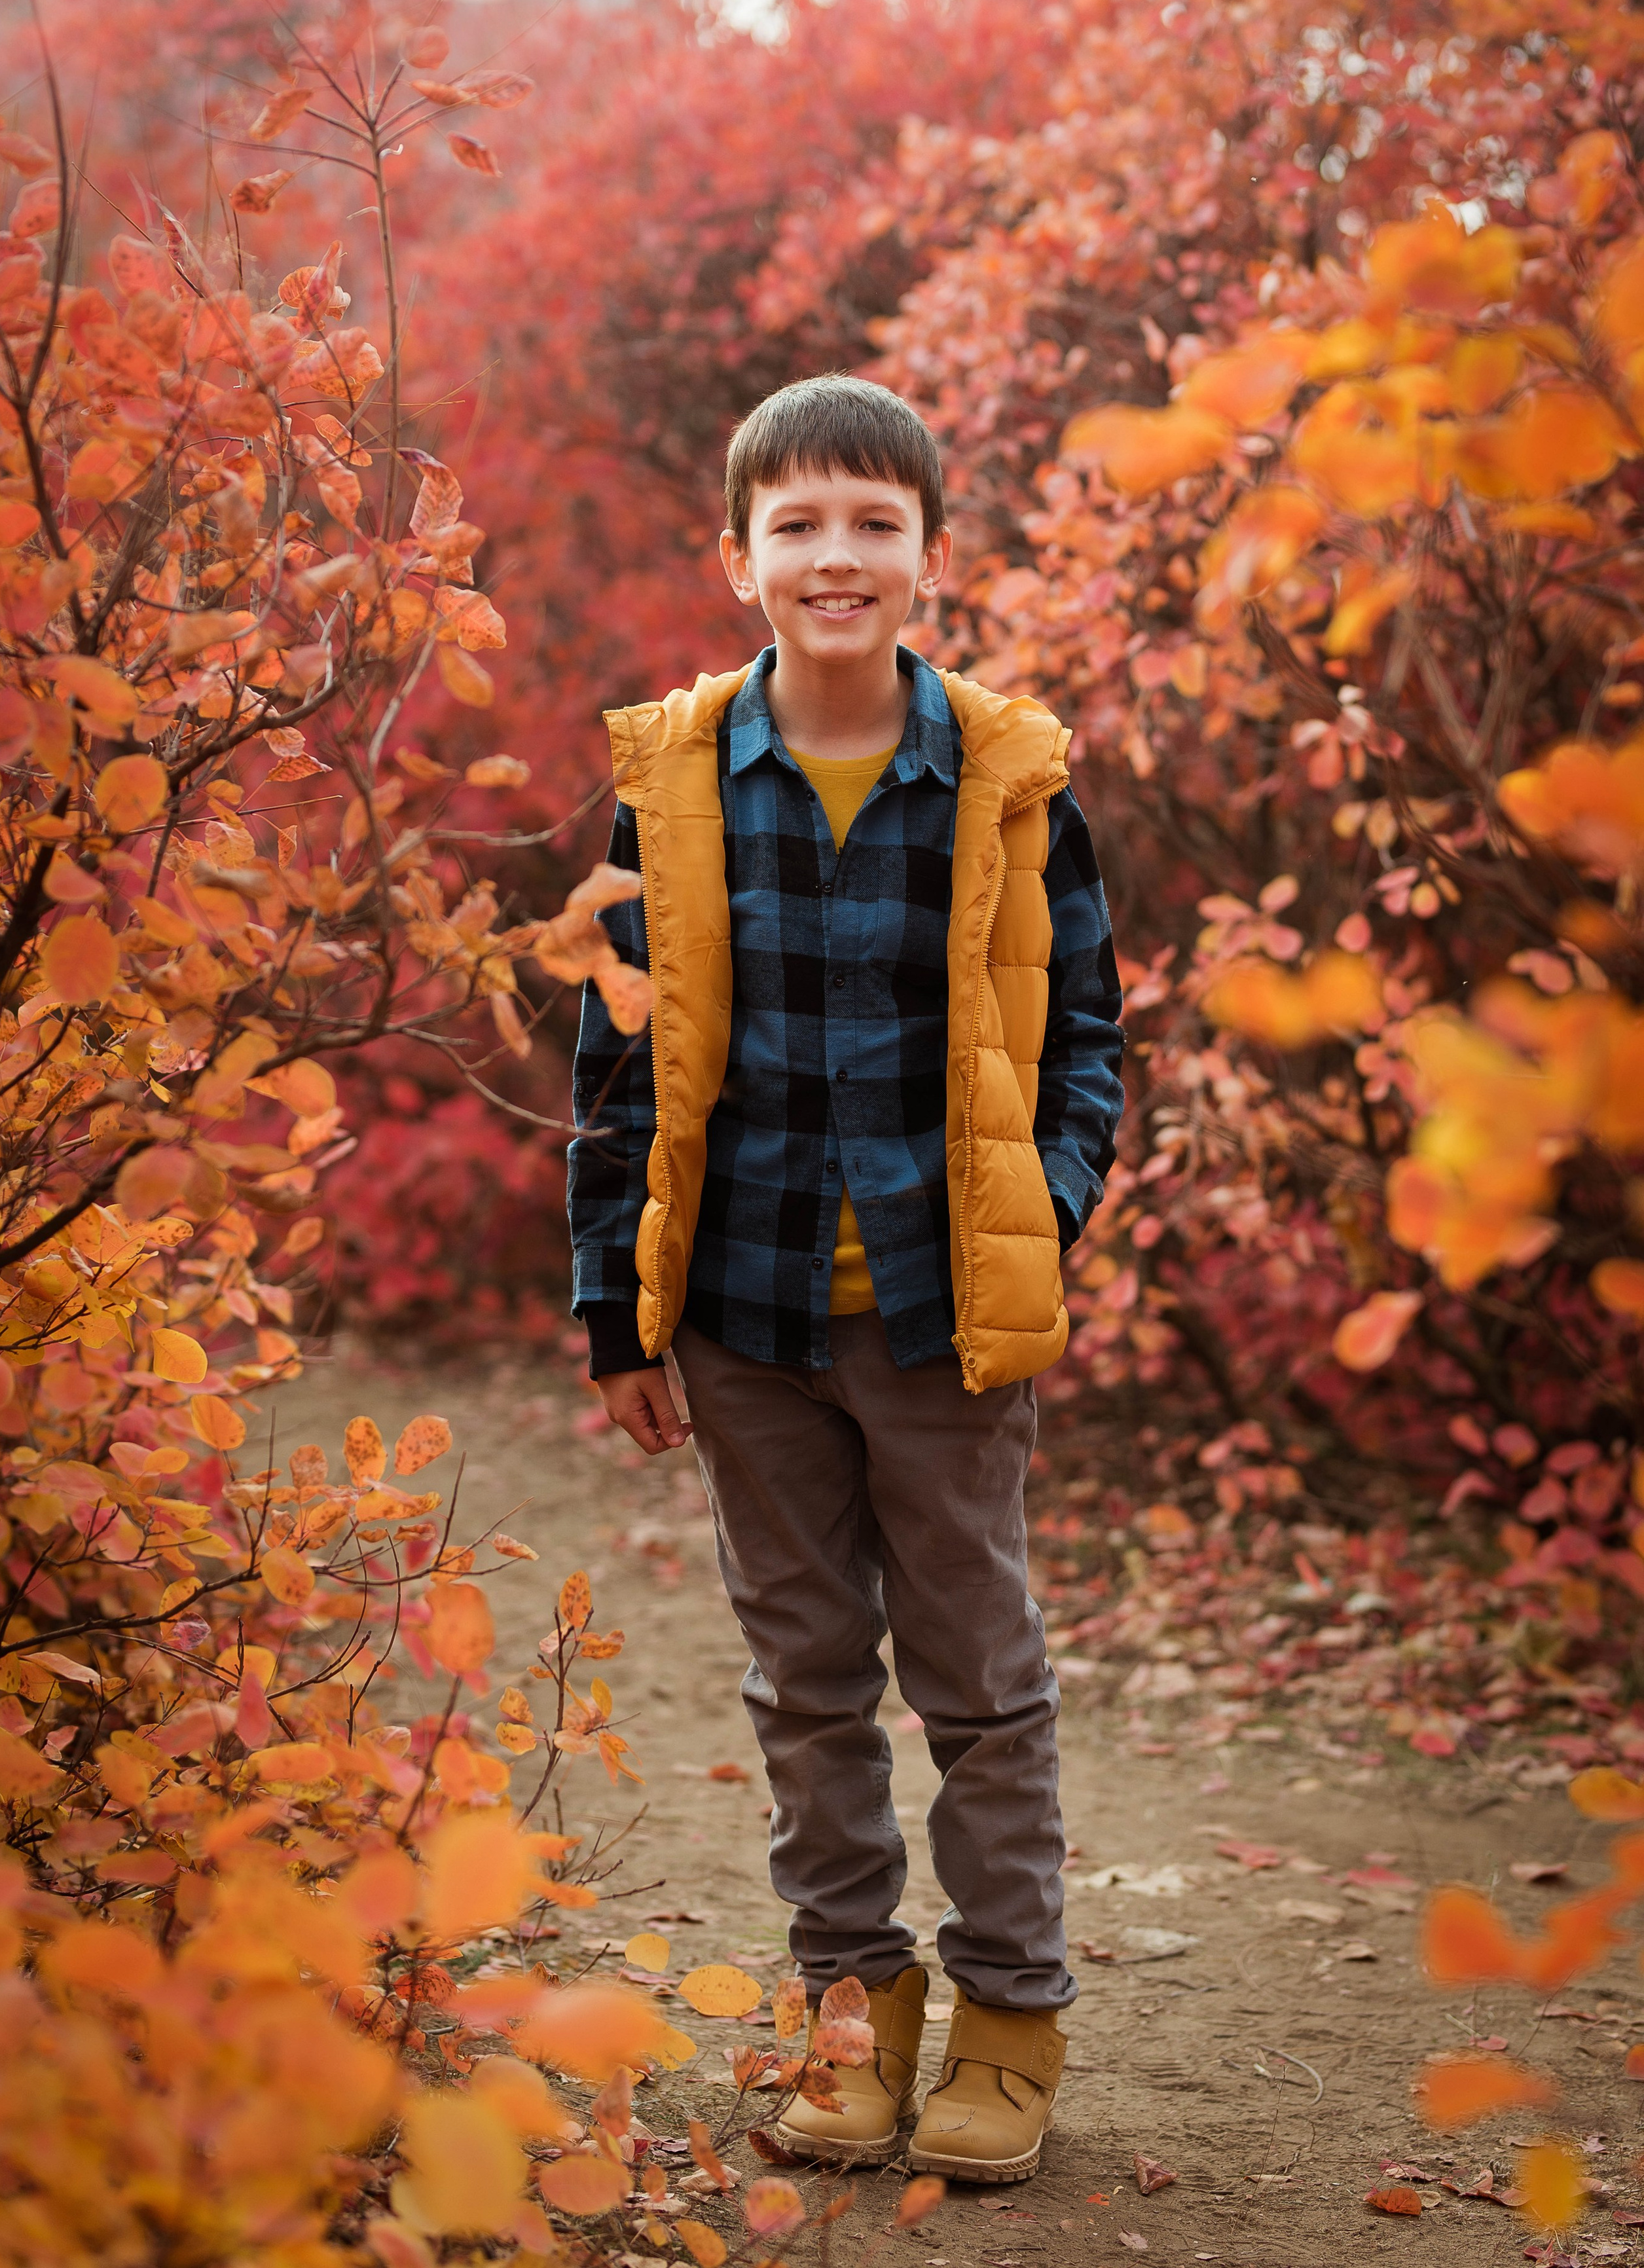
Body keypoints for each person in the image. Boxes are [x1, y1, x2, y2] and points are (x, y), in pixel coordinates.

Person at [566, 374, 1124, 2184]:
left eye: (874, 523)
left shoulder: (1011, 778)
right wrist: (613, 1314)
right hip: (743, 1319)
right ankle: (847, 2015)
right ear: (737, 559)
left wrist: (1045, 1205)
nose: (836, 554)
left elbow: (1087, 1034)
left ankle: (1013, 2020)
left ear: (930, 557)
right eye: (796, 523)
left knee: (978, 1677)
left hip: (947, 1321)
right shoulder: (669, 780)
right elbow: (619, 1068)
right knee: (807, 1681)